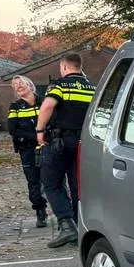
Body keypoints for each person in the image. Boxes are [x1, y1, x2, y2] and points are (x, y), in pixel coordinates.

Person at [35, 53, 95, 248]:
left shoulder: (59, 86)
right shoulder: (93, 88)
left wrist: (39, 131)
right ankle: (79, 228)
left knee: (51, 183)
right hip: (84, 143)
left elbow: (48, 106)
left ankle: (66, 225)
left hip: (59, 142)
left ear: (64, 68)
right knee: (78, 186)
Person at [7, 75, 48, 228]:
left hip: (47, 146)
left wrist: (45, 136)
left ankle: (63, 214)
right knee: (33, 181)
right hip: (28, 149)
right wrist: (35, 136)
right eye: (15, 85)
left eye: (21, 83)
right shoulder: (15, 106)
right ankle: (40, 211)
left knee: (53, 179)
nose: (18, 86)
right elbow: (13, 129)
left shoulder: (44, 101)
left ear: (30, 85)